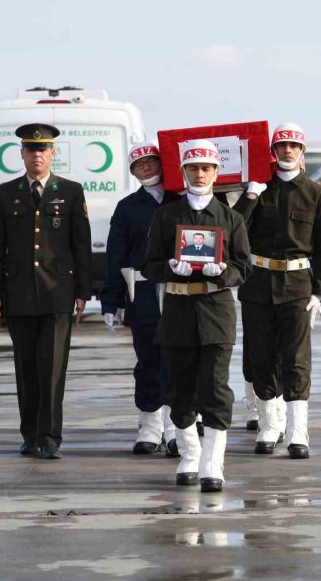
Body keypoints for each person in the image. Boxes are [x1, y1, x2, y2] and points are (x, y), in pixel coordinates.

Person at [142, 139, 251, 492]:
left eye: (206, 168)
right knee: (180, 389)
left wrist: (224, 271)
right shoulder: (166, 215)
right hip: (178, 312)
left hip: (216, 313)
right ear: (183, 172)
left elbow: (244, 267)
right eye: (193, 168)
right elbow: (149, 264)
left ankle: (212, 462)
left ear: (217, 173)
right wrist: (171, 267)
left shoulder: (230, 218)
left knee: (216, 389)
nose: (200, 174)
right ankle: (189, 454)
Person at [0, 123, 92, 460]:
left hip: (57, 293)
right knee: (26, 368)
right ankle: (30, 435)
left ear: (52, 153)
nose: (37, 155)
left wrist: (83, 292)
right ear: (21, 154)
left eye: (42, 150)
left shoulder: (71, 191)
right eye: (31, 150)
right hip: (18, 294)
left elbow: (82, 246)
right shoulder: (5, 193)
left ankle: (49, 437)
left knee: (52, 369)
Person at [232, 122, 321, 460]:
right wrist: (250, 195)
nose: (287, 150)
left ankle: (297, 431)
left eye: (293, 145)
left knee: (296, 358)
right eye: (281, 145)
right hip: (258, 283)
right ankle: (268, 425)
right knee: (260, 355)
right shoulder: (260, 190)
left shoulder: (316, 194)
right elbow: (232, 229)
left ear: (302, 151)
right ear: (272, 152)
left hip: (297, 286)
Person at [102, 142, 182, 456]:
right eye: (139, 165)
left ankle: (178, 428)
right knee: (148, 361)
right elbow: (115, 256)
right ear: (133, 172)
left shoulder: (184, 200)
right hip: (144, 293)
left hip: (179, 292)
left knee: (176, 361)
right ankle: (150, 426)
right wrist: (111, 300)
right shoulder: (127, 207)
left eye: (151, 162)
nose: (146, 168)